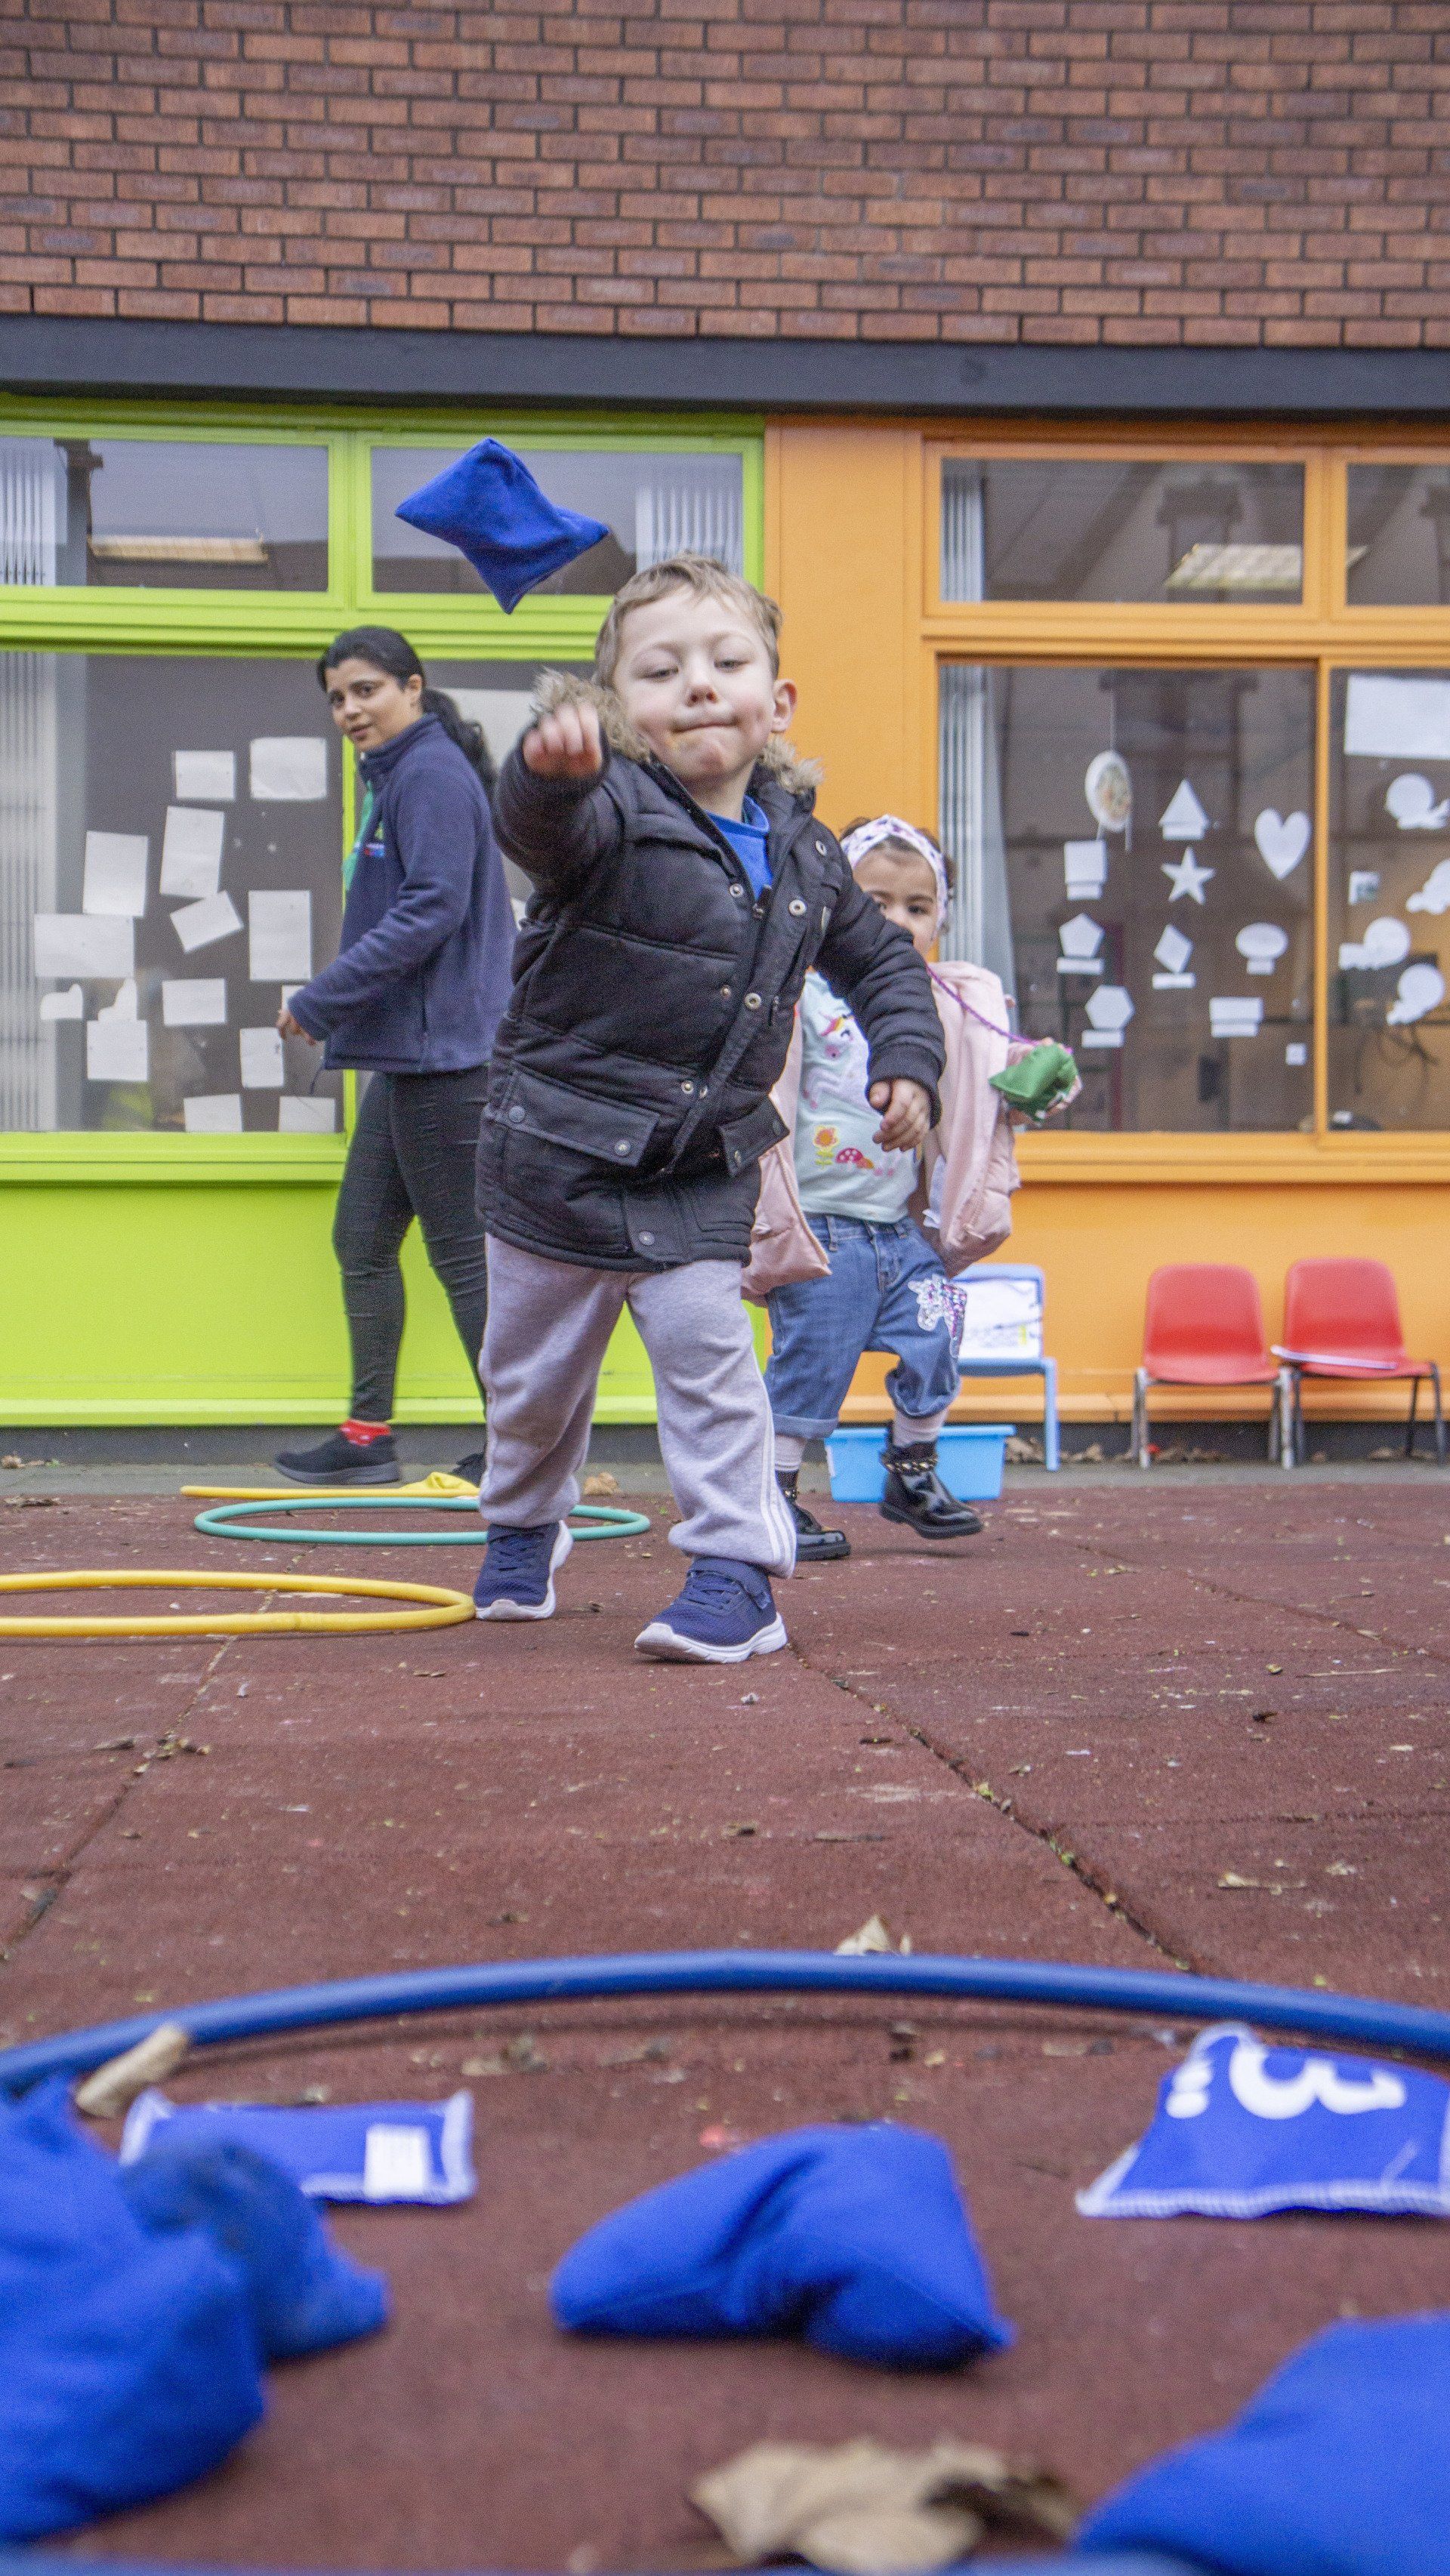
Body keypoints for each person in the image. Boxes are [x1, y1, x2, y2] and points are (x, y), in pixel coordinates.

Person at [474, 553, 946, 1662]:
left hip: (696, 1166)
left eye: (727, 661)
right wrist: (546, 774)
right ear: (616, 710)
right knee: (533, 1382)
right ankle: (522, 1523)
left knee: (708, 1357)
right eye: (660, 669)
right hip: (555, 1151)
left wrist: (909, 1062)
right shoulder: (607, 812)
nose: (697, 683)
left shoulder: (809, 854)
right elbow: (540, 831)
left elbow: (883, 968)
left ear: (776, 702)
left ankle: (737, 1572)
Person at [754, 816, 1069, 1562]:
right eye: (877, 903)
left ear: (942, 918)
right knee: (812, 1359)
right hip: (820, 1221)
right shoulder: (799, 990)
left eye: (918, 907)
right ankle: (775, 1491)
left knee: (940, 1328)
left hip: (900, 1227)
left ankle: (913, 1468)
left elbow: (997, 1075)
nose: (896, 921)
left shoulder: (951, 1003)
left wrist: (1039, 1083)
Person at [273, 627, 514, 1489]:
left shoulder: (431, 774)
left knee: (462, 1255)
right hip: (409, 1055)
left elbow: (432, 910)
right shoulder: (399, 777)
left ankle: (521, 1446)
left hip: (447, 1058)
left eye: (366, 690)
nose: (350, 710)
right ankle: (367, 1436)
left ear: (413, 688)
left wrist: (319, 999)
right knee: (362, 1239)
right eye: (338, 697)